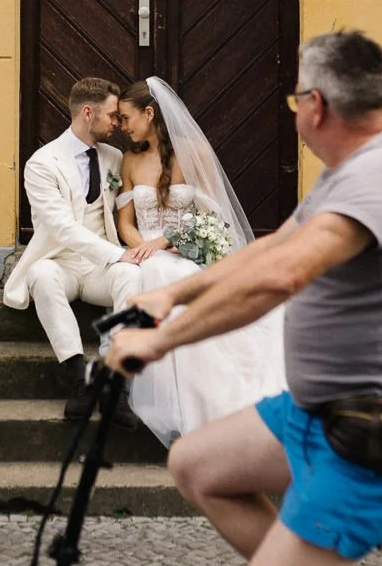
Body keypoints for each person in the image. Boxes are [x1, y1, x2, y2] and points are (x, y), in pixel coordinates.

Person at [104, 31, 382, 566]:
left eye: (294, 100)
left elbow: (284, 273)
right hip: (318, 410)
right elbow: (275, 244)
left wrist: (162, 339)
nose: (295, 111)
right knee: (196, 464)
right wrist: (173, 292)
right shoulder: (352, 170)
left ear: (317, 106)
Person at [113, 77, 286, 446]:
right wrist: (144, 248)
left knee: (175, 279)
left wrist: (167, 242)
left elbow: (213, 218)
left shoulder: (195, 154)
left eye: (127, 118)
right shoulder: (129, 161)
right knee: (155, 271)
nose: (123, 127)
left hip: (185, 254)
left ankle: (209, 402)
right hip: (147, 256)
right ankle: (177, 404)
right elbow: (125, 224)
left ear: (149, 112)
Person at [4, 77, 143, 422]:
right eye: (112, 115)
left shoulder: (113, 157)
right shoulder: (42, 163)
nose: (117, 124)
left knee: (130, 274)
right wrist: (114, 253)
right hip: (60, 261)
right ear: (87, 113)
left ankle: (117, 379)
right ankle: (78, 377)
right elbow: (60, 228)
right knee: (41, 275)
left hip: (99, 269)